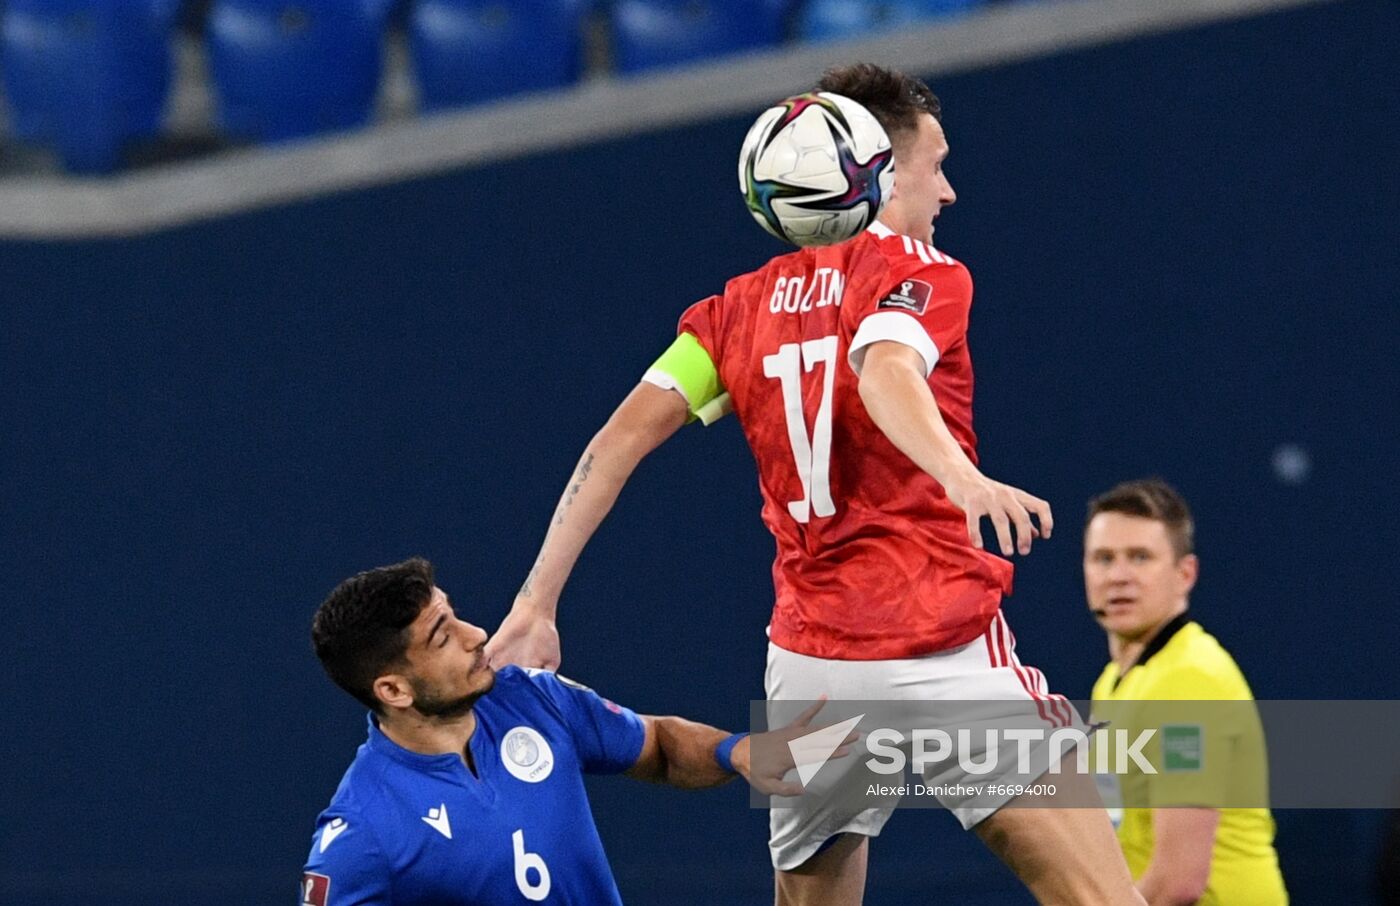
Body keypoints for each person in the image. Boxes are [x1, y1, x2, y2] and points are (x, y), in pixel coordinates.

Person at [487, 62, 1141, 904]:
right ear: (878, 168)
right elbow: (885, 366)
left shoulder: (732, 312)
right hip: (942, 647)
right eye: (936, 166)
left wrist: (536, 602)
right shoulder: (925, 274)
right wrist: (963, 477)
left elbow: (616, 441)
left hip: (813, 671)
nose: (948, 192)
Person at [300, 557, 842, 906]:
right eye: (443, 637)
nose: (476, 634)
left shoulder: (532, 698)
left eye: (456, 614)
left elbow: (660, 746)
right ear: (393, 690)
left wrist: (736, 751)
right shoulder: (362, 834)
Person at [1084, 478, 1287, 904]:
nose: (1118, 576)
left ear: (1185, 574)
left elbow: (1178, 881)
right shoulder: (1113, 682)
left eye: (1140, 557)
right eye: (1103, 558)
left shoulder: (1188, 682)